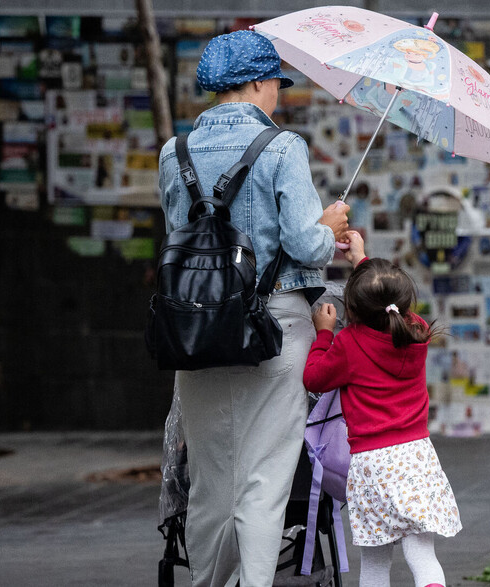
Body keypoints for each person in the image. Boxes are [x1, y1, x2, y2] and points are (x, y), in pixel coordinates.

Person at [157, 30, 350, 587]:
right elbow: (306, 246)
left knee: (213, 483)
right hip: (275, 330)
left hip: (195, 331)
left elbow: (179, 237)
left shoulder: (176, 152)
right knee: (265, 480)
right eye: (276, 86)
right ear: (261, 81)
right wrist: (330, 226)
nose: (278, 98)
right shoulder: (283, 148)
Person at [303, 232, 461, 587]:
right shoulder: (415, 331)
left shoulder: (347, 343)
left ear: (352, 308)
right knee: (423, 557)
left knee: (375, 564)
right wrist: (361, 258)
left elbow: (313, 379)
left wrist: (324, 334)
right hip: (417, 458)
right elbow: (382, 300)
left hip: (371, 465)